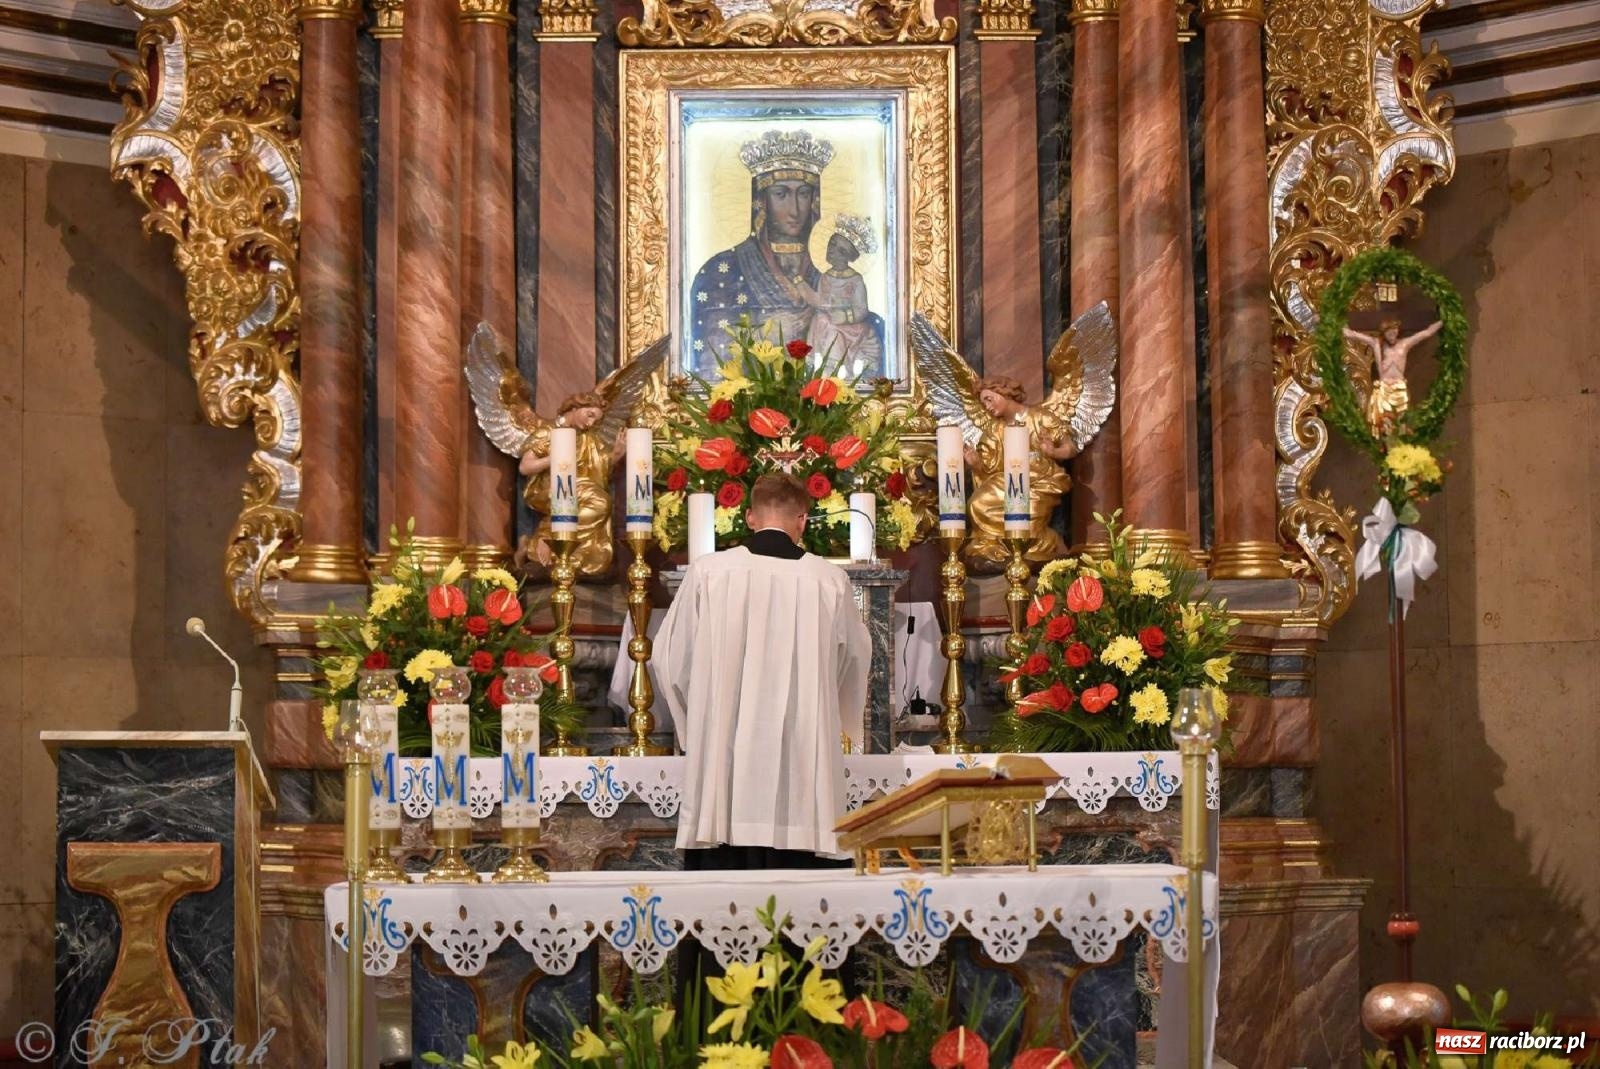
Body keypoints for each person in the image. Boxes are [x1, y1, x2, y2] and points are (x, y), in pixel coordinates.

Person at [656, 472, 871, 869]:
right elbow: (854, 660)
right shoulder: (829, 580)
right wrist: (830, 711)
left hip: (725, 769)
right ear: (802, 522)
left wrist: (696, 724)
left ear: (750, 517)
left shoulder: (710, 573)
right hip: (804, 765)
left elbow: (670, 659)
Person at [687, 129, 835, 373]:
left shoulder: (832, 269)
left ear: (814, 200)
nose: (795, 210)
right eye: (781, 194)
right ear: (762, 201)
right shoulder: (722, 272)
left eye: (804, 194)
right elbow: (712, 360)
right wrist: (762, 329)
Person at [796, 213, 884, 380]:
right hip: (827, 323)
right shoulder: (826, 277)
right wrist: (802, 286)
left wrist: (844, 316)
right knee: (822, 321)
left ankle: (837, 373)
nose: (832, 251)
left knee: (833, 331)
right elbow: (821, 301)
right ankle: (826, 372)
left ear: (849, 256)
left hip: (851, 327)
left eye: (841, 251)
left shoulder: (855, 279)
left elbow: (861, 309)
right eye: (832, 244)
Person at [1343, 317, 1442, 438]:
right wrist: (1325, 322)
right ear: (1384, 334)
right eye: (1389, 333)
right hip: (1385, 389)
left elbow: (1427, 333)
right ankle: (1387, 446)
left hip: (1399, 388)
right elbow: (1351, 334)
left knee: (1402, 424)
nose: (1392, 336)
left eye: (1394, 332)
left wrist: (1444, 321)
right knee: (1386, 424)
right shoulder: (1377, 344)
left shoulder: (1404, 344)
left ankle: (1401, 449)